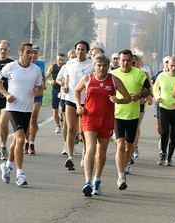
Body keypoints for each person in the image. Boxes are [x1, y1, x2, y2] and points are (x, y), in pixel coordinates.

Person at [74, 54, 131, 196]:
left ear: (108, 66)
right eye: (99, 65)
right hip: (89, 118)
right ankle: (87, 182)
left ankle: (97, 180)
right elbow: (76, 90)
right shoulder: (88, 78)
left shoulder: (113, 80)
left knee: (101, 153)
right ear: (94, 66)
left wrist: (119, 100)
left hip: (106, 120)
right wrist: (78, 106)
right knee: (91, 148)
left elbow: (128, 97)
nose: (101, 68)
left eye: (104, 65)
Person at [0, 42, 44, 186]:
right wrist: (6, 94)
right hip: (12, 107)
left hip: (27, 109)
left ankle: (7, 166)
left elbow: (41, 89)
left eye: (32, 53)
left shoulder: (35, 70)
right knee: (21, 140)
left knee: (17, 141)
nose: (30, 55)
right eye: (28, 52)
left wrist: (37, 92)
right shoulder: (10, 67)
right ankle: (20, 174)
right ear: (20, 52)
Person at [111, 49, 152, 190]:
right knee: (120, 146)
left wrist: (140, 96)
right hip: (117, 115)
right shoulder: (113, 74)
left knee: (129, 148)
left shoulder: (139, 74)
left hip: (133, 116)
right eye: (123, 60)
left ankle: (125, 164)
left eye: (128, 60)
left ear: (131, 61)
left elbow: (148, 90)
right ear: (118, 60)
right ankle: (121, 176)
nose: (125, 63)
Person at [61, 40, 94, 171]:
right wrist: (64, 86)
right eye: (78, 49)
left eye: (82, 49)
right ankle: (70, 157)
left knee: (83, 131)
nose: (80, 52)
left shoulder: (91, 64)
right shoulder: (69, 63)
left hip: (85, 101)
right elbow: (67, 79)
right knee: (70, 128)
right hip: (70, 99)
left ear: (87, 51)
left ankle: (85, 152)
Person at [153, 56, 175, 166]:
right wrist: (157, 97)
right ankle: (163, 153)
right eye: (171, 66)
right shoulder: (161, 77)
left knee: (174, 136)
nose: (173, 68)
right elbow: (155, 89)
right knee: (164, 132)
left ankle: (170, 157)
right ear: (168, 66)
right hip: (164, 107)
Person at [24, 45, 46, 154]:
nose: (33, 55)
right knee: (27, 119)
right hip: (27, 95)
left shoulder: (41, 64)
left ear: (38, 54)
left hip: (38, 94)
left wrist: (44, 85)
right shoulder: (25, 65)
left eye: (35, 53)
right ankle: (26, 141)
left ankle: (32, 143)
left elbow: (43, 77)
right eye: (31, 52)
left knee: (33, 118)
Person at [56, 49, 77, 155]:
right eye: (72, 57)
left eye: (75, 56)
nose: (73, 58)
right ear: (68, 58)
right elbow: (58, 79)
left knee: (76, 125)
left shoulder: (81, 66)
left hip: (78, 99)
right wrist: (63, 84)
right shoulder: (66, 67)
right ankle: (66, 144)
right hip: (66, 97)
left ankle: (73, 140)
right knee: (67, 124)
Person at [45, 52, 65, 134]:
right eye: (59, 60)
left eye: (62, 60)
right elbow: (45, 77)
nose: (61, 62)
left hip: (63, 90)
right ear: (56, 59)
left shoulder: (66, 67)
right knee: (55, 110)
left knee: (62, 109)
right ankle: (58, 126)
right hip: (55, 90)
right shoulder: (52, 67)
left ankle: (63, 121)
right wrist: (50, 82)